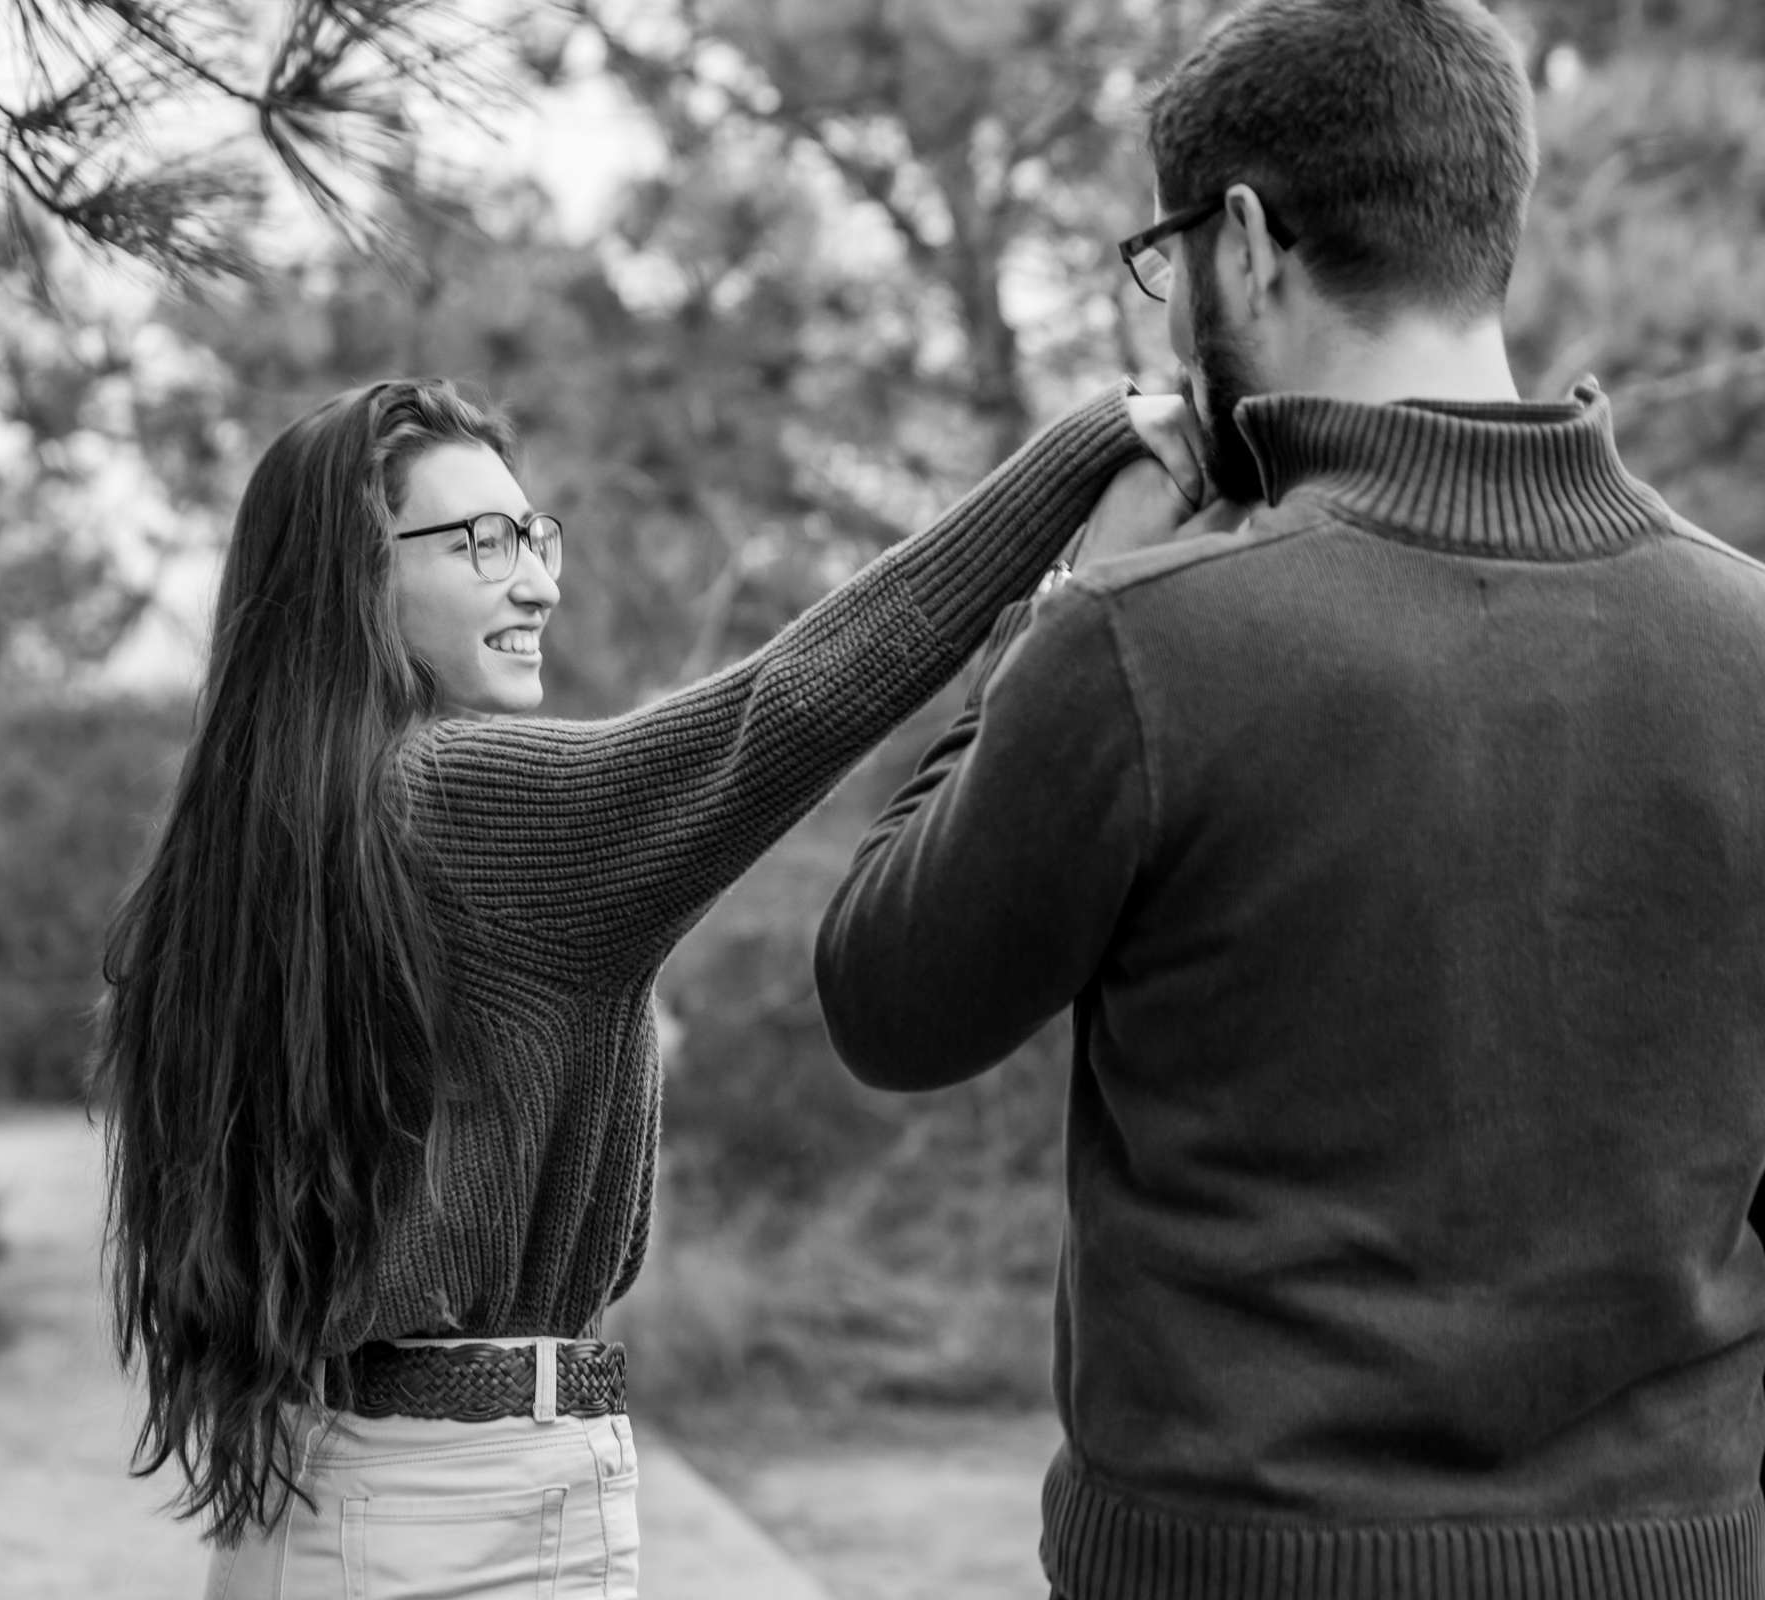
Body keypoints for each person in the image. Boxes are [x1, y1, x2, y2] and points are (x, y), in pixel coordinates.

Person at [812, 3, 1765, 1597]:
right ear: (1491, 225)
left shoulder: (1142, 643)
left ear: (1249, 243)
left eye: (1168, 255)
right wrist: (1698, 1546)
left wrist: (1067, 599)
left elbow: (887, 996)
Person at [88, 371, 1202, 1598]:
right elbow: (777, 712)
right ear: (355, 578)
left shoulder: (279, 829)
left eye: (532, 533)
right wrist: (1081, 454)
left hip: (330, 1502)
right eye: (479, 542)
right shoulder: (460, 802)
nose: (538, 579)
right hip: (458, 1518)